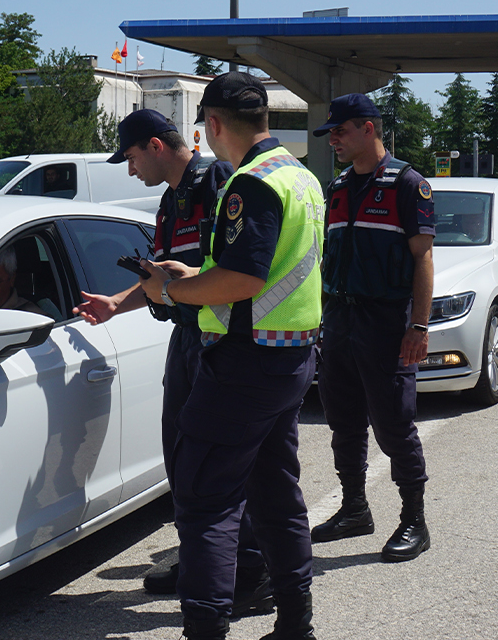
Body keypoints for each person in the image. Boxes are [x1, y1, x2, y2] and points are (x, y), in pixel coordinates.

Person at [139, 72, 324, 640]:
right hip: (288, 358)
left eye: (206, 129)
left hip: (243, 363)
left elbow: (243, 279)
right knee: (275, 495)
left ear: (214, 124)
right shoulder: (302, 176)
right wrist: (199, 275)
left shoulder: (251, 183)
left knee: (205, 503)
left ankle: (207, 629)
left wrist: (170, 290)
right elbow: (271, 273)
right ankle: (296, 624)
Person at [73, 109, 273, 616]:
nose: (130, 168)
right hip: (187, 339)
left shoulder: (223, 183)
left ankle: (248, 574)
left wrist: (184, 282)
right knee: (183, 458)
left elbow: (237, 271)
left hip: (222, 341)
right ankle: (201, 561)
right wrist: (120, 301)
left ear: (157, 146)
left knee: (225, 467)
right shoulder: (170, 200)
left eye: (133, 156)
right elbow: (164, 279)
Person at [309, 93, 436, 564]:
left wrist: (418, 326)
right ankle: (355, 509)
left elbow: (422, 257)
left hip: (387, 322)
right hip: (340, 322)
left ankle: (414, 521)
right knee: (342, 421)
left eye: (340, 131)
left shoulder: (407, 184)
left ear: (368, 128)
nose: (334, 141)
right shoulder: (337, 187)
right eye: (331, 134)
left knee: (394, 426)